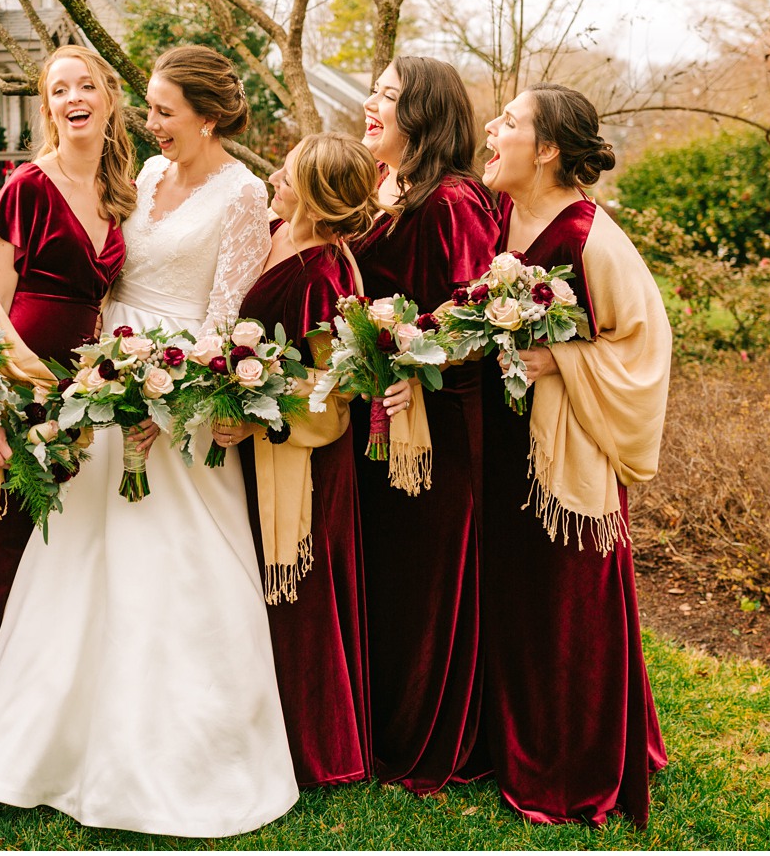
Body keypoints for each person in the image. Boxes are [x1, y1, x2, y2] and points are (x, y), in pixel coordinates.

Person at [0, 45, 298, 837]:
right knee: (82, 556)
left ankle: (184, 758)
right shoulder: (142, 178)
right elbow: (103, 276)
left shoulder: (245, 194)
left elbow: (228, 321)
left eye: (164, 111)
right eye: (147, 108)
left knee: (175, 560)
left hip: (178, 392)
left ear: (207, 115)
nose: (150, 124)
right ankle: (54, 751)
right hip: (103, 378)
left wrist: (175, 401)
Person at [477, 83, 670, 826]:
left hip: (570, 456)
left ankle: (576, 767)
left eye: (511, 122)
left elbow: (645, 343)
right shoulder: (501, 213)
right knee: (519, 600)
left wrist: (564, 359)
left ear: (549, 148)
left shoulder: (589, 235)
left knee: (569, 610)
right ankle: (514, 743)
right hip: (506, 445)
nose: (493, 128)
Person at [0, 45, 130, 745]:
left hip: (87, 392)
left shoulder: (122, 194)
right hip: (26, 382)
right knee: (11, 551)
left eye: (87, 85)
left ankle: (71, 719)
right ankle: (0, 728)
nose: (74, 97)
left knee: (72, 557)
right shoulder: (27, 185)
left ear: (109, 99)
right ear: (47, 107)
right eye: (60, 90)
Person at [215, 132, 393, 787]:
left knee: (301, 592)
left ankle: (317, 746)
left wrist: (254, 406)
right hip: (255, 445)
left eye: (286, 175)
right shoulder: (272, 231)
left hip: (305, 458)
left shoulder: (325, 273)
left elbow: (333, 387)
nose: (274, 180)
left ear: (315, 195)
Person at [350, 56, 498, 792]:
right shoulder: (386, 189)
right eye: (374, 90)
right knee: (391, 571)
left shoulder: (453, 200)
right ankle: (386, 721)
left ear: (424, 113)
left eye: (387, 94)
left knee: (432, 579)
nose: (370, 103)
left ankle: (439, 730)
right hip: (384, 413)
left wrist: (410, 356)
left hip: (440, 419)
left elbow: (476, 309)